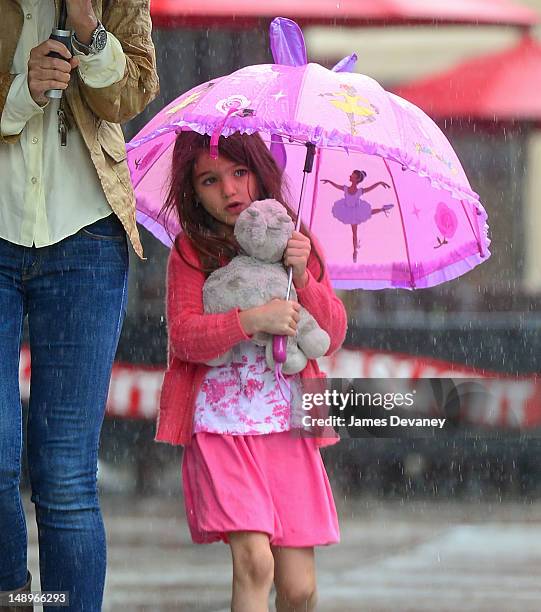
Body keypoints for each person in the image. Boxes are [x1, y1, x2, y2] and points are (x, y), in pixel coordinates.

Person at [0, 1, 158, 610]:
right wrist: (21, 91)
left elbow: (132, 92)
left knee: (65, 474)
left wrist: (90, 29)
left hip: (86, 241)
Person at [156, 130, 348, 612]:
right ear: (193, 192)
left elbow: (333, 332)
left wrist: (303, 277)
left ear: (260, 173)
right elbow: (184, 336)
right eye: (210, 180)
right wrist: (249, 321)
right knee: (255, 563)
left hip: (288, 426)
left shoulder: (296, 242)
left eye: (240, 173)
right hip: (222, 430)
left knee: (299, 587)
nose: (230, 190)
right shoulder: (191, 251)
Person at [322, 170, 394, 262]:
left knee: (355, 231)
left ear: (356, 179)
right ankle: (383, 209)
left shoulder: (360, 191)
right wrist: (329, 181)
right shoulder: (345, 188)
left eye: (352, 175)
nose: (350, 176)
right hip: (348, 210)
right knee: (368, 214)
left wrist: (380, 183)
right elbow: (336, 186)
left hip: (355, 211)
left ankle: (355, 251)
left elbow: (371, 188)